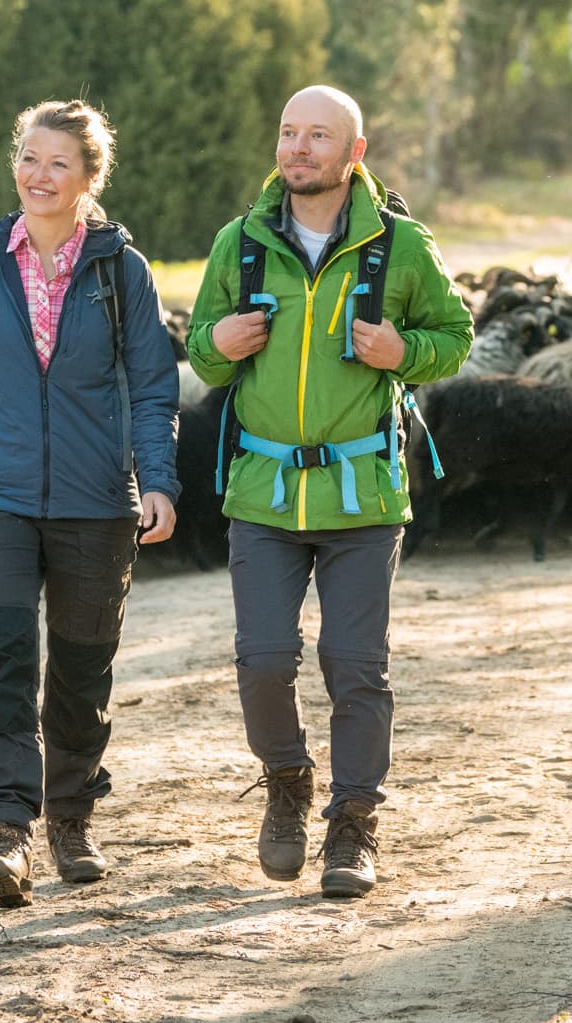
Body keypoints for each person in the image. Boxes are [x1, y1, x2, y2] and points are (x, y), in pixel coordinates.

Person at [184, 85, 472, 898]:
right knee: (262, 662)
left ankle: (353, 822)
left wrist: (402, 351)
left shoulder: (401, 245)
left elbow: (455, 337)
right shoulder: (239, 243)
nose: (298, 148)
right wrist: (219, 340)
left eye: (317, 135)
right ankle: (287, 781)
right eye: (288, 132)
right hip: (263, 492)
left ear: (355, 152)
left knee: (355, 664)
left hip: (362, 495)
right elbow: (201, 353)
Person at [0, 99, 180, 909]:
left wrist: (157, 479)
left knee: (80, 670)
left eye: (59, 162)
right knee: (0, 659)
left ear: (90, 176)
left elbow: (153, 387)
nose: (39, 174)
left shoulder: (121, 270)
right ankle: (5, 831)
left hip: (96, 502)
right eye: (29, 157)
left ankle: (70, 816)